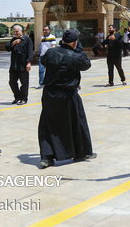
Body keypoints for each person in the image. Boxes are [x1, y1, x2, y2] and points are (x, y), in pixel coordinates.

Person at [38, 29, 95, 169]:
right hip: (67, 94)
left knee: (48, 124)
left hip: (50, 93)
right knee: (77, 122)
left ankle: (47, 157)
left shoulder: (50, 52)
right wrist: (78, 50)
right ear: (75, 42)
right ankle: (81, 152)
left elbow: (43, 61)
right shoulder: (76, 56)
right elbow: (86, 65)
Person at [5, 25, 34, 105]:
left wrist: (29, 63)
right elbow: (7, 48)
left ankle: (24, 98)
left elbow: (30, 52)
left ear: (21, 31)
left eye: (17, 31)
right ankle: (17, 97)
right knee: (12, 82)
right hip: (14, 66)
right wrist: (13, 43)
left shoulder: (27, 39)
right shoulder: (13, 39)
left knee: (24, 83)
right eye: (14, 31)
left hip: (23, 65)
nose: (15, 33)